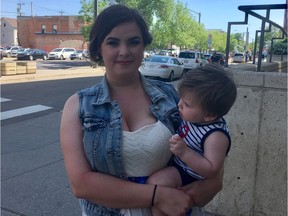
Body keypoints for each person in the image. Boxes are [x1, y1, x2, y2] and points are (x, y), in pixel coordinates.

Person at [60, 4, 223, 216]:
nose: (124, 51)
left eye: (133, 42)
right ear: (99, 48)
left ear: (143, 46)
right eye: (113, 42)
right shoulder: (78, 106)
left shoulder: (174, 98)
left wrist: (211, 184)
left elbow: (212, 147)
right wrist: (158, 195)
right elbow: (81, 184)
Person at [148, 64, 237, 216]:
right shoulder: (196, 117)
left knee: (157, 184)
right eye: (181, 98)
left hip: (189, 175)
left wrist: (185, 153)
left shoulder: (216, 135)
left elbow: (211, 170)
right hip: (180, 166)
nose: (179, 105)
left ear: (210, 115)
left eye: (187, 104)